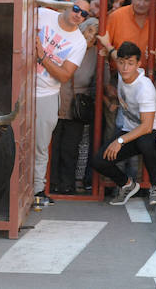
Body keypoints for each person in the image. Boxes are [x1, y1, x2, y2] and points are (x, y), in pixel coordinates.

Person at [91, 42, 156, 206]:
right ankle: (127, 185)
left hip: (154, 131)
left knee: (144, 141)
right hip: (130, 130)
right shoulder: (122, 73)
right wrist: (107, 44)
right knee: (99, 160)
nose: (125, 67)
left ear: (138, 64)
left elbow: (147, 127)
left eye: (130, 63)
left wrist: (120, 141)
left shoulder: (145, 88)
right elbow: (116, 55)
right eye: (121, 63)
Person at [33, 0, 89, 205]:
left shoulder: (79, 42)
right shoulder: (44, 15)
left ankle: (37, 189)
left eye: (84, 14)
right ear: (67, 6)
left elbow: (65, 76)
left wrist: (42, 56)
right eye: (76, 9)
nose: (78, 15)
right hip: (21, 86)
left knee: (40, 146)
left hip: (46, 94)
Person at [50, 17, 98, 195]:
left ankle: (67, 184)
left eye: (96, 34)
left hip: (77, 106)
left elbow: (100, 81)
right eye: (90, 31)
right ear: (82, 29)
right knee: (53, 145)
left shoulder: (95, 54)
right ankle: (51, 183)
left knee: (70, 148)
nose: (92, 37)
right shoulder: (67, 44)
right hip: (57, 98)